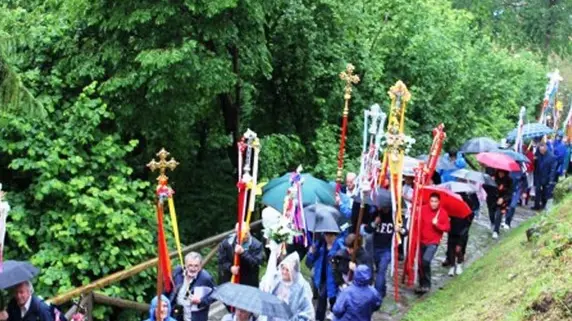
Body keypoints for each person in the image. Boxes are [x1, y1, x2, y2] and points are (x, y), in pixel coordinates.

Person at [417, 193, 450, 294]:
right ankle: (421, 284)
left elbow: (447, 228)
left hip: (433, 242)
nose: (433, 204)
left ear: (439, 202)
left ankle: (427, 284)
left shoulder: (442, 213)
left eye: (435, 201)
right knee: (420, 263)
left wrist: (437, 224)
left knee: (426, 260)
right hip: (422, 240)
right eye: (432, 201)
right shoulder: (423, 209)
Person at [266, 252, 314, 321]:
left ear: (294, 271)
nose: (284, 272)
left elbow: (307, 312)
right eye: (283, 268)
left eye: (287, 270)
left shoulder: (301, 286)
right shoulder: (277, 281)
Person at [305, 232, 343, 321]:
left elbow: (342, 261)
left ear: (335, 236)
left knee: (327, 298)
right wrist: (311, 253)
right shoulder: (320, 244)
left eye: (330, 236)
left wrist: (333, 254)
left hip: (333, 279)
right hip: (321, 277)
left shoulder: (339, 246)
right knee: (323, 299)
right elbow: (308, 263)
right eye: (326, 235)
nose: (328, 238)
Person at [168, 252, 215, 321]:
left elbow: (215, 294)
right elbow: (168, 289)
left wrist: (201, 301)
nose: (193, 269)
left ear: (200, 266)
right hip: (177, 314)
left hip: (195, 317)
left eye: (196, 266)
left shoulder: (205, 278)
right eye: (190, 265)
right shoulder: (178, 272)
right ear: (185, 264)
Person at [218, 224, 264, 288]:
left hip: (248, 283)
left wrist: (243, 253)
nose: (246, 236)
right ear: (236, 233)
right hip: (230, 280)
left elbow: (256, 263)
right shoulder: (227, 243)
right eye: (243, 234)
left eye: (247, 233)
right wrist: (230, 268)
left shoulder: (257, 245)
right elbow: (221, 261)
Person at [533, 142, 557, 210]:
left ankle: (543, 205)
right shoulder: (538, 154)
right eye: (540, 150)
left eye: (542, 150)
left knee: (544, 192)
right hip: (538, 175)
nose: (541, 152)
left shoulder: (551, 157)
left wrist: (551, 180)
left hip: (546, 177)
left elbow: (553, 170)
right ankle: (536, 205)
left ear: (545, 149)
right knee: (537, 190)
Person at [492, 170, 512, 239]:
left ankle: (496, 231)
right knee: (492, 214)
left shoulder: (509, 180)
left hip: (503, 201)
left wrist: (503, 199)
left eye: (502, 172)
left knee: (499, 214)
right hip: (493, 199)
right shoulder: (493, 178)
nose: (500, 174)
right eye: (499, 172)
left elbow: (510, 193)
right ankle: (493, 224)